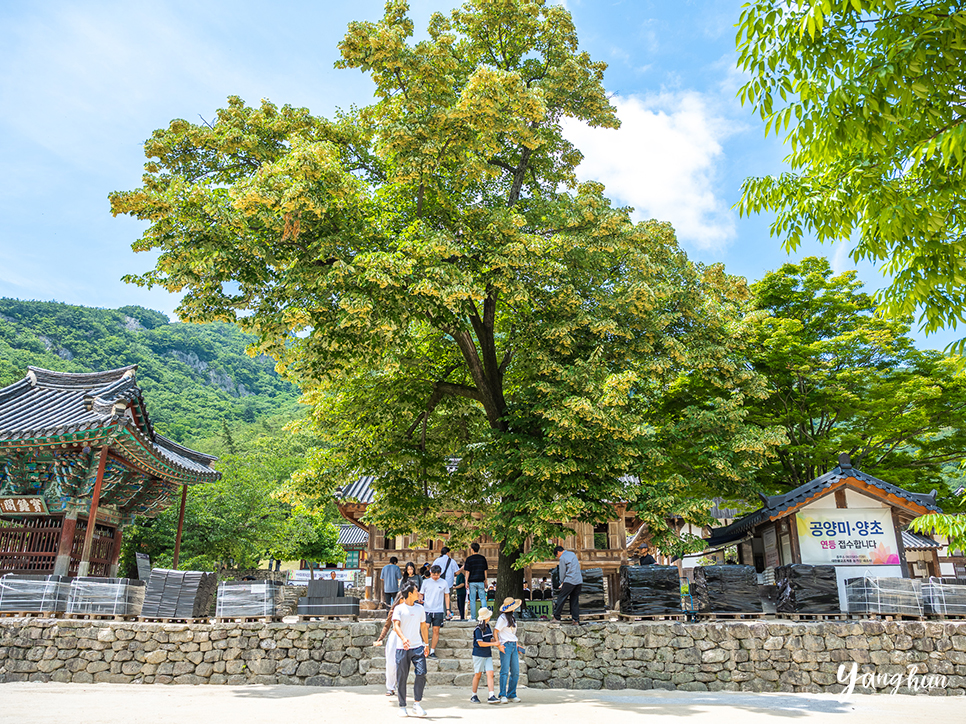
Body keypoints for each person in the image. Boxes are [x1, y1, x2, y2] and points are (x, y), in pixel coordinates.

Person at [392, 583, 429, 717]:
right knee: (402, 677)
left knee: (421, 673)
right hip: (402, 648)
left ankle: (417, 704)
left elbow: (423, 627)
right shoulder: (399, 609)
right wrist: (403, 638)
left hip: (418, 646)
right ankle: (402, 705)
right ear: (409, 594)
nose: (419, 593)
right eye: (416, 591)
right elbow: (396, 626)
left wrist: (427, 644)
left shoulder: (420, 609)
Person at [373, 592, 405, 697]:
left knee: (403, 664)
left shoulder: (411, 610)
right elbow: (387, 625)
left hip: (406, 636)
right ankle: (390, 687)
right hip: (395, 636)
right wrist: (380, 638)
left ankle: (401, 687)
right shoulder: (394, 610)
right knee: (391, 662)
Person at [469, 607, 502, 704]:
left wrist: (496, 642)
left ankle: (491, 695)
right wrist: (494, 644)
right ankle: (473, 695)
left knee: (490, 673)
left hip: (487, 654)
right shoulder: (478, 629)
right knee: (477, 674)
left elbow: (489, 639)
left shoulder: (488, 627)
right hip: (479, 654)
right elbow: (480, 643)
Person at [494, 597, 522, 703]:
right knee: (504, 671)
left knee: (515, 671)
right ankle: (502, 694)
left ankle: (511, 693)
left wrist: (517, 645)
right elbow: (495, 631)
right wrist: (499, 644)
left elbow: (512, 634)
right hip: (505, 644)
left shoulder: (512, 618)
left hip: (513, 644)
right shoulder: (502, 618)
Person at [419, 564, 450, 659]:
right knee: (425, 627)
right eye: (434, 575)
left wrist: (448, 609)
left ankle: (432, 650)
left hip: (439, 610)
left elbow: (446, 596)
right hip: (427, 609)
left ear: (440, 573)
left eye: (437, 575)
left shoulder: (444, 582)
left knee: (436, 630)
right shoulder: (426, 582)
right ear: (430, 573)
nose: (435, 577)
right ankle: (425, 646)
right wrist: (420, 600)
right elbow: (421, 594)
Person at [552, 545, 583, 624]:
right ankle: (575, 620)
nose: (558, 557)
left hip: (570, 580)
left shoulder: (562, 558)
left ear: (559, 552)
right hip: (578, 581)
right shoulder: (572, 554)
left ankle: (556, 617)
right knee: (574, 600)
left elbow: (562, 571)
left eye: (557, 555)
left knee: (561, 598)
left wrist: (561, 582)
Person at [463, 542, 489, 619]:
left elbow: (467, 572)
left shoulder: (469, 559)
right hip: (481, 580)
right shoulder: (482, 558)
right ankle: (485, 616)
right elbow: (485, 570)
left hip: (472, 582)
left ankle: (473, 617)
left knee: (472, 599)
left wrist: (466, 581)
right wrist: (486, 580)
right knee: (483, 598)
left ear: (472, 549)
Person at [431, 546, 457, 616]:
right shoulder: (452, 561)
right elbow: (457, 572)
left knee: (439, 599)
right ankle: (447, 614)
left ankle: (441, 615)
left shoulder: (437, 560)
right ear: (448, 553)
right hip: (449, 583)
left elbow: (432, 571)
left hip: (438, 582)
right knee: (447, 598)